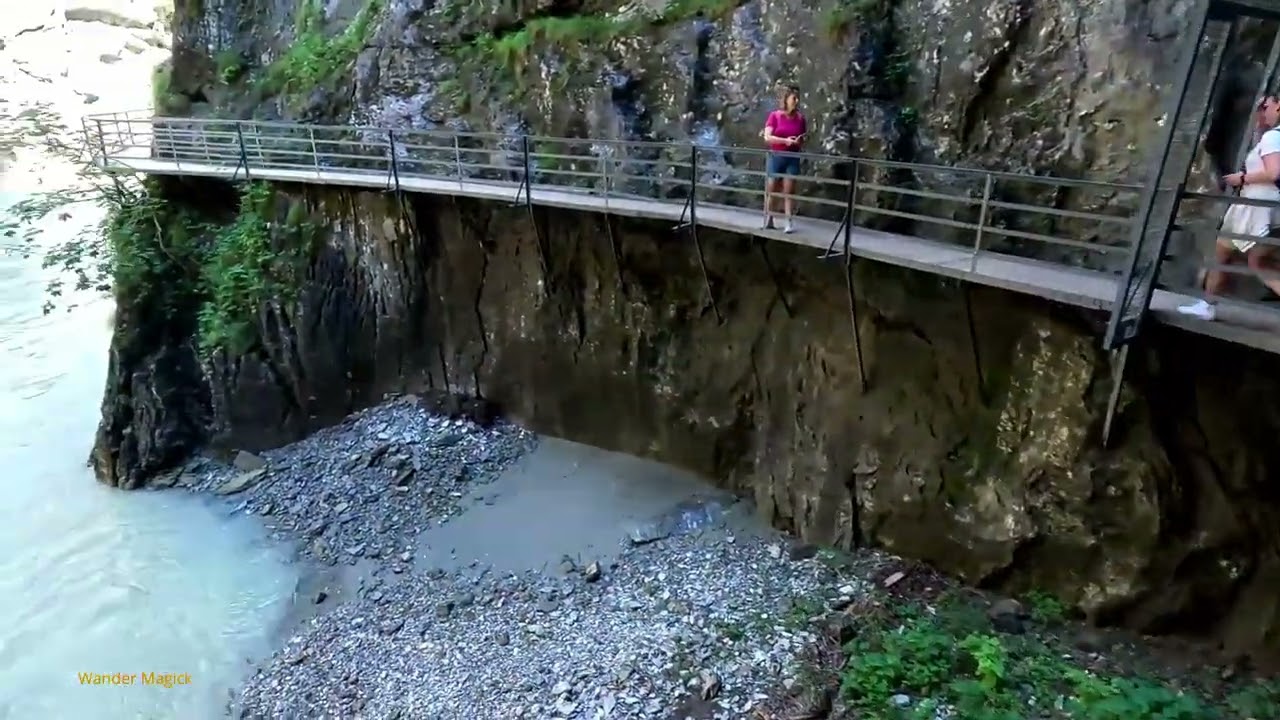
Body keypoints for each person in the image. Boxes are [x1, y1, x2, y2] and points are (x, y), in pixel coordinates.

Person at [1178, 95, 1280, 321]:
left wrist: (1242, 178)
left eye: (1265, 107)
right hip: (1253, 206)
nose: (1261, 111)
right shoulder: (1271, 136)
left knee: (1257, 261)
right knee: (1224, 254)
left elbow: (1274, 173)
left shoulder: (1274, 137)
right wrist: (1260, 126)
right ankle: (1207, 304)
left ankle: (1207, 305)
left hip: (1256, 208)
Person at [761, 85, 807, 234]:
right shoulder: (775, 116)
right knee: (772, 188)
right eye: (794, 98)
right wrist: (785, 141)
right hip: (776, 156)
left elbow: (803, 137)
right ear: (786, 100)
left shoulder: (800, 119)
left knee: (789, 189)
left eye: (798, 98)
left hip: (792, 157)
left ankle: (788, 221)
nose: (797, 101)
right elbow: (767, 137)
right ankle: (769, 219)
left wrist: (799, 141)